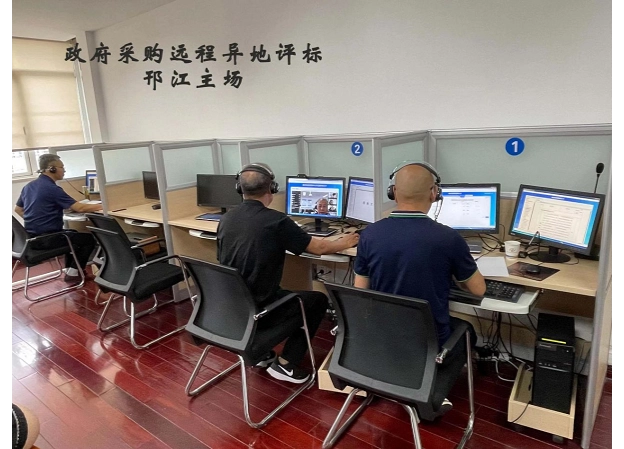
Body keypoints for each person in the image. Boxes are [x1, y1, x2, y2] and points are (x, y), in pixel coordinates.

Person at [353, 162, 485, 414]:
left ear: (393, 192)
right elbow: (478, 290)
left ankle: (403, 376)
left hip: (381, 334)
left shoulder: (369, 234)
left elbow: (360, 290)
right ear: (434, 193)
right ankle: (429, 396)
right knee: (466, 331)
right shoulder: (448, 238)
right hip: (428, 339)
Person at [217, 163, 359, 384]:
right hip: (261, 309)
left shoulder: (226, 219)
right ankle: (287, 364)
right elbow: (318, 248)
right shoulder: (276, 221)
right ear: (271, 189)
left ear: (239, 189)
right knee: (317, 300)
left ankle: (263, 355)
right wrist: (346, 241)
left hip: (232, 307)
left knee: (284, 291)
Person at [14, 154, 103, 281]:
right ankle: (73, 274)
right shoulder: (52, 188)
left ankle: (71, 270)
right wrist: (105, 205)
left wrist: (37, 219)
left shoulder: (29, 186)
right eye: (62, 167)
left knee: (73, 233)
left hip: (32, 237)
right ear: (52, 169)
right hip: (47, 239)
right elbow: (80, 208)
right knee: (88, 239)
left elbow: (18, 209)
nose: (64, 170)